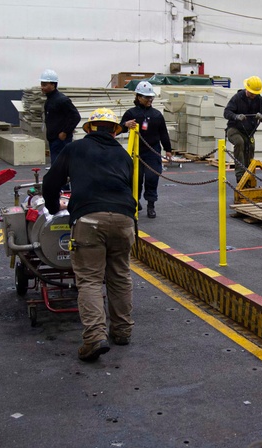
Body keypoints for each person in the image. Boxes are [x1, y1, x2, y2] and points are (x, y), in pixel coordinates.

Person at [43, 108, 137, 362]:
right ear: (115, 131)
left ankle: (95, 337)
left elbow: (50, 183)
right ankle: (122, 331)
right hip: (124, 219)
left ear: (90, 129)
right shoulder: (123, 155)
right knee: (120, 276)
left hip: (89, 219)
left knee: (90, 280)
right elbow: (131, 188)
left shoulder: (75, 149)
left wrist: (53, 208)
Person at [121, 81, 173, 219]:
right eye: (147, 97)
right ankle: (135, 202)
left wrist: (168, 149)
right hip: (136, 152)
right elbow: (119, 128)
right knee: (135, 179)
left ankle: (151, 205)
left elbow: (163, 133)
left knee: (152, 178)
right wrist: (125, 125)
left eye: (151, 97)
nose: (150, 100)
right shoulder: (131, 113)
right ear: (138, 97)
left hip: (152, 152)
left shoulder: (157, 115)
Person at [223, 76, 262, 185]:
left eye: (255, 93)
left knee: (250, 152)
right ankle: (240, 178)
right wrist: (236, 116)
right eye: (252, 93)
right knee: (240, 143)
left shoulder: (259, 99)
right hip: (234, 129)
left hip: (249, 133)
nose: (253, 95)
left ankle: (249, 180)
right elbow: (226, 113)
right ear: (247, 89)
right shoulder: (237, 98)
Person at [40, 69, 81, 164]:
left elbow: (75, 117)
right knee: (56, 165)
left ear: (53, 85)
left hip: (61, 140)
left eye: (45, 85)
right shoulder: (49, 100)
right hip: (53, 139)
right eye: (42, 84)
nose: (42, 87)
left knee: (61, 165)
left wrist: (65, 132)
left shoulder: (62, 100)